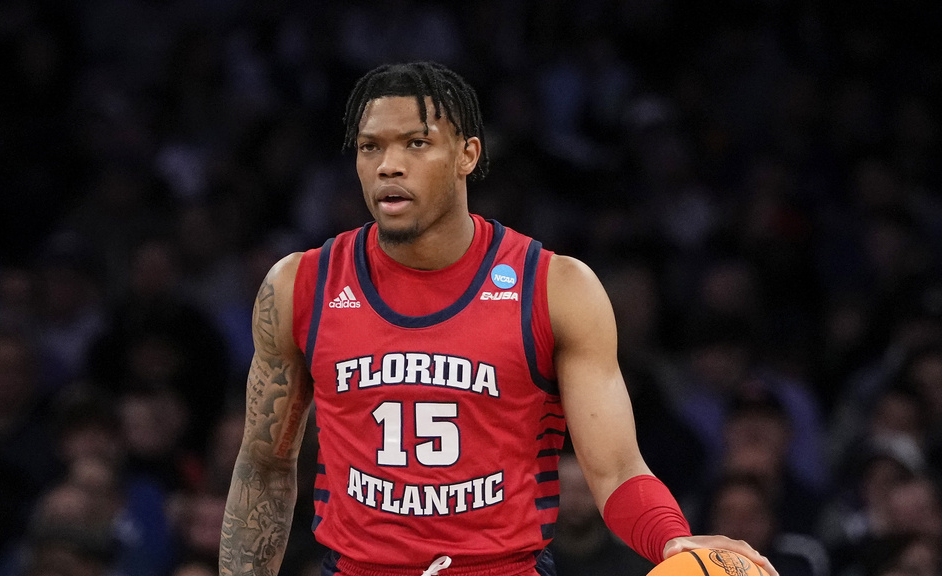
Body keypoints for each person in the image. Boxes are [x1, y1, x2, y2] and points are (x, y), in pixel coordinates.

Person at [220, 61, 778, 576]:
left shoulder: (556, 287)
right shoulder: (300, 285)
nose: (389, 165)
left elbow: (615, 470)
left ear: (467, 155)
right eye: (370, 147)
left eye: (416, 143)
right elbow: (266, 465)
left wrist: (671, 541)